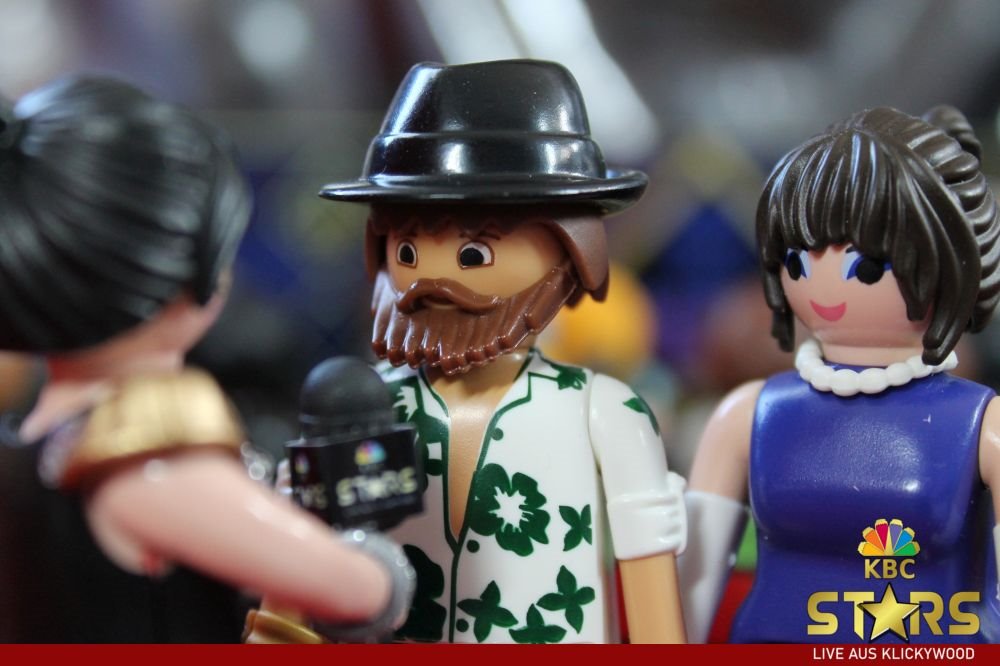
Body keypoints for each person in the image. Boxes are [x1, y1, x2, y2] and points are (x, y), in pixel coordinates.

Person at [0, 75, 410, 642]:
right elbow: (358, 589)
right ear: (173, 269)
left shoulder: (33, 436)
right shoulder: (140, 462)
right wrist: (375, 555)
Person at [308, 59, 686, 644]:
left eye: (473, 255)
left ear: (571, 250)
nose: (432, 281)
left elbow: (647, 576)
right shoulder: (368, 406)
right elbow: (309, 552)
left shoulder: (604, 412)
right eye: (407, 252)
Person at [680, 105, 1000, 643]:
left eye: (866, 267)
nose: (823, 287)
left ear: (951, 261)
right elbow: (693, 574)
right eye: (797, 262)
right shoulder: (748, 413)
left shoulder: (983, 426)